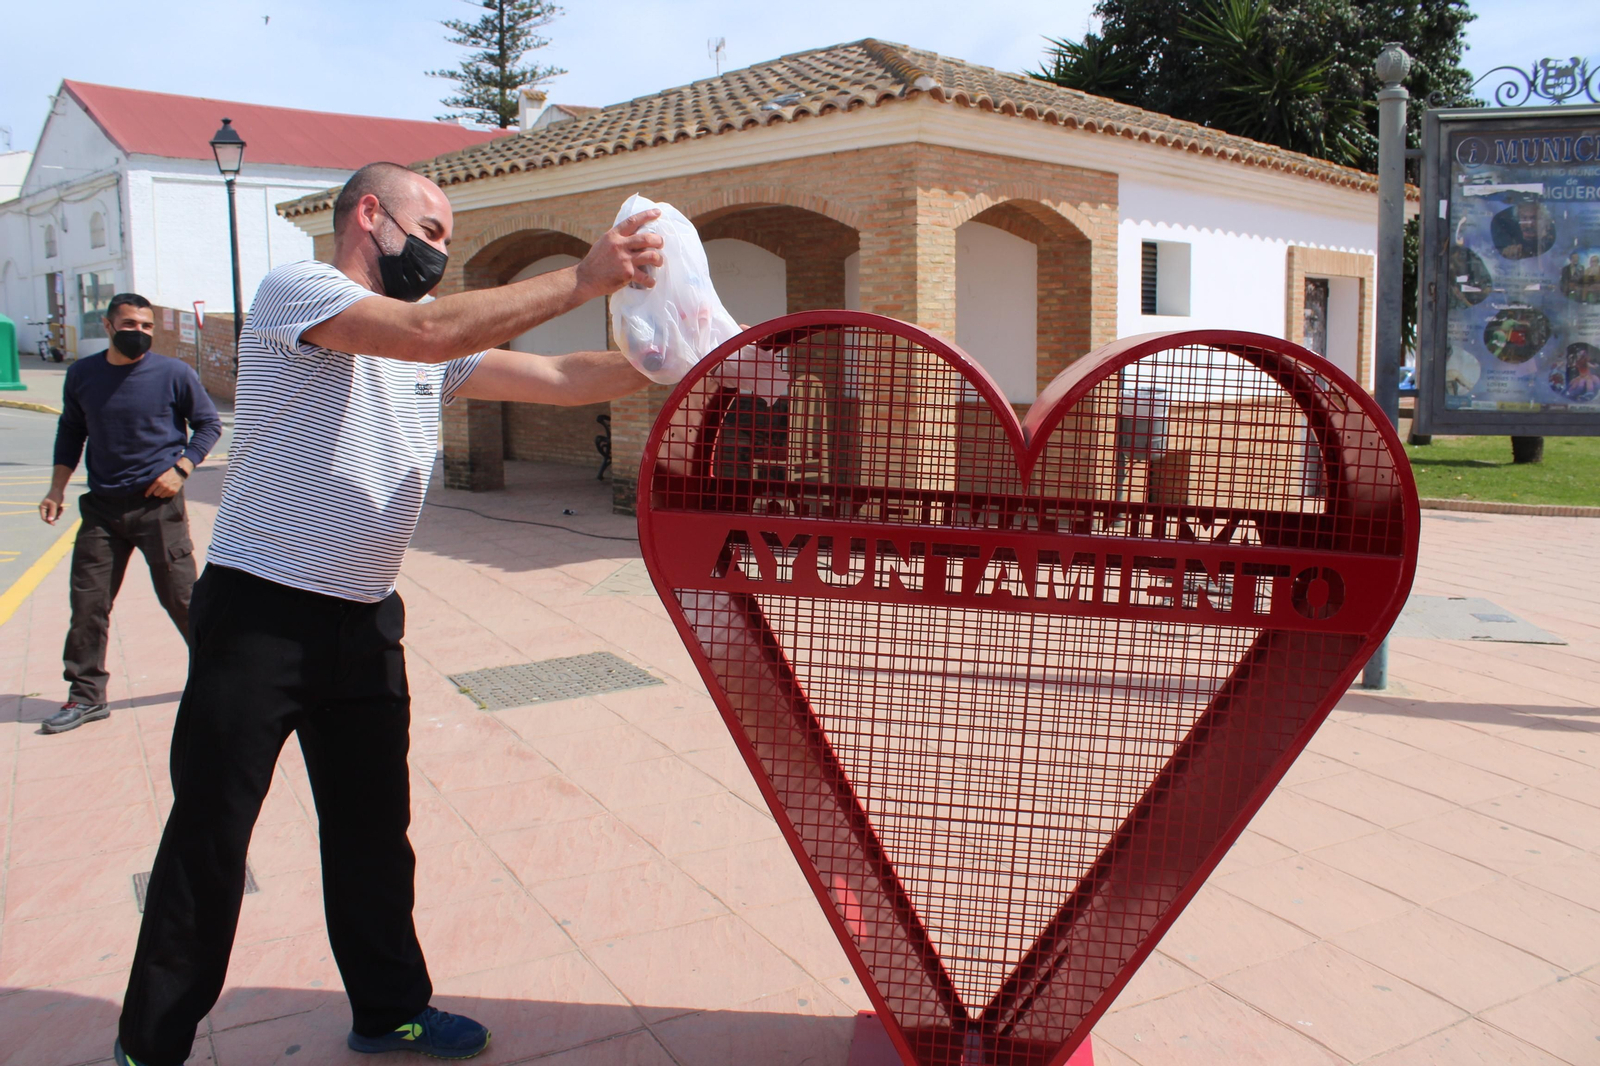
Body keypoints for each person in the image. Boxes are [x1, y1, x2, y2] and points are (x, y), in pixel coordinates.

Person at [112, 162, 666, 1066]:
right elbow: (421, 330)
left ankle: (388, 1011)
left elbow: (565, 375)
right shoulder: (301, 292)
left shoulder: (431, 354)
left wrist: (681, 356)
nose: (440, 253)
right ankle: (151, 1045)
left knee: (374, 836)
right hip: (260, 616)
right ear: (370, 216)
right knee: (211, 836)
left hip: (364, 621)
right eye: (434, 230)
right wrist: (583, 275)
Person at [38, 293, 222, 734]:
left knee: (183, 600)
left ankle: (220, 680)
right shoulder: (83, 375)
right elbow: (71, 431)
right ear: (108, 326)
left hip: (158, 507)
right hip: (102, 510)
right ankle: (86, 696)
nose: (138, 332)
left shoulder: (173, 373)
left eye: (145, 326)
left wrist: (181, 469)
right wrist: (56, 488)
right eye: (129, 324)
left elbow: (209, 424)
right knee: (88, 603)